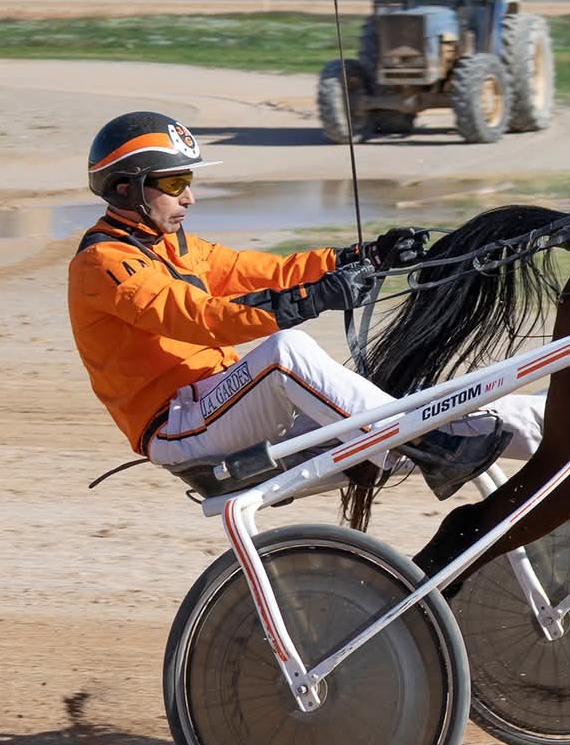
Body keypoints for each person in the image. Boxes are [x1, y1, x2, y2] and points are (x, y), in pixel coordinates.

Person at [67, 110, 540, 498]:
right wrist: (316, 299)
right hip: (180, 430)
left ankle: (558, 430)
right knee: (285, 352)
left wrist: (364, 255)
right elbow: (205, 321)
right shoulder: (103, 264)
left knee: (419, 401)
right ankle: (425, 446)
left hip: (227, 406)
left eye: (187, 180)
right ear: (124, 188)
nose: (189, 196)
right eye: (173, 184)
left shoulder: (176, 247)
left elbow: (272, 272)